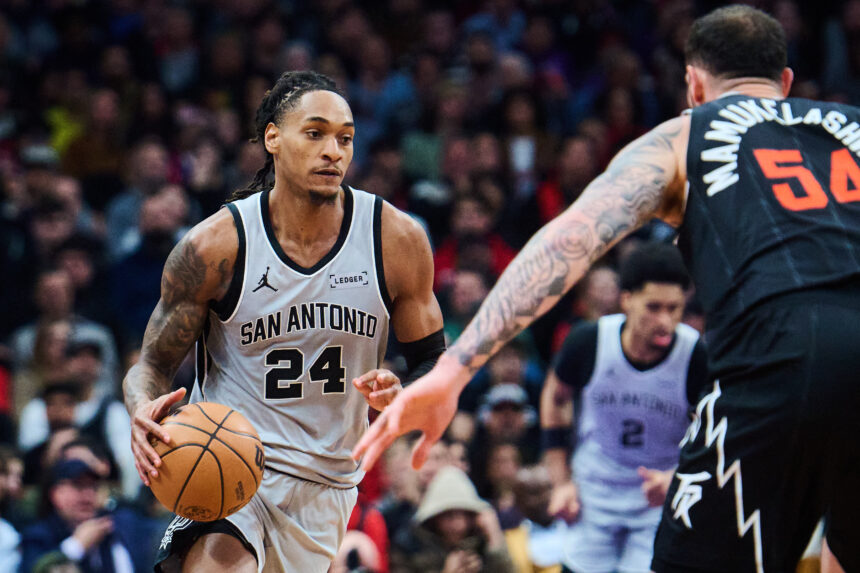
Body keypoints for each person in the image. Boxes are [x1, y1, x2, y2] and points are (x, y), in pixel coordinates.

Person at [354, 6, 860, 573]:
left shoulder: (685, 134)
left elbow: (568, 240)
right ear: (786, 82)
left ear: (693, 85)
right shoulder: (855, 126)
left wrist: (453, 370)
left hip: (780, 358)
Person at [123, 71, 445, 572]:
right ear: (272, 138)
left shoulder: (395, 240)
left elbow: (433, 362)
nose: (333, 151)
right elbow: (151, 365)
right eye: (314, 134)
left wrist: (405, 394)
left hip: (328, 484)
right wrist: (142, 407)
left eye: (345, 138)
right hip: (230, 459)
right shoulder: (216, 246)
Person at [541, 243, 707, 573]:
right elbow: (554, 399)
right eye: (654, 308)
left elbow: (713, 431)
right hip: (594, 488)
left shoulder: (695, 356)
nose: (665, 321)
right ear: (627, 299)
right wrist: (561, 482)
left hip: (657, 495)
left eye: (674, 308)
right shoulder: (588, 341)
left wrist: (678, 478)